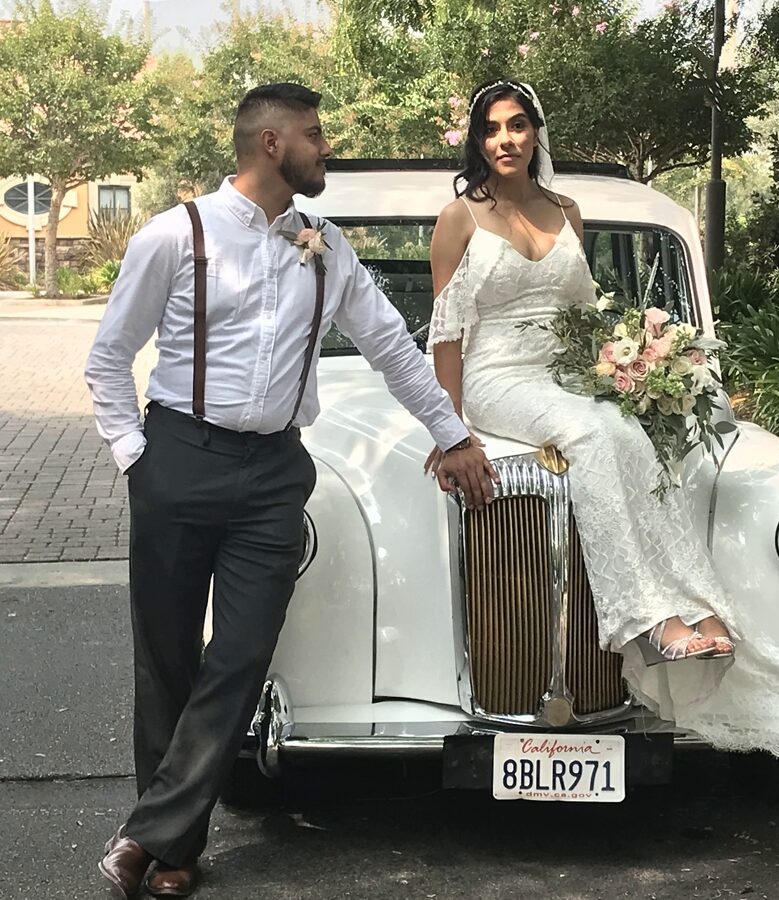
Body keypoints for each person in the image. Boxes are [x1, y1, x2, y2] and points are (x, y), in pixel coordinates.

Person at [85, 81, 496, 898]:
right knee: (167, 659)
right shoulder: (175, 236)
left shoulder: (326, 245)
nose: (326, 145)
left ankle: (144, 837)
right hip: (179, 459)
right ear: (272, 144)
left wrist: (453, 434)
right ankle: (176, 850)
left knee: (238, 656)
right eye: (315, 134)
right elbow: (109, 357)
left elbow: (392, 347)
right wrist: (139, 458)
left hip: (275, 472)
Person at [426, 78, 779, 759]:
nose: (505, 140)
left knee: (637, 430)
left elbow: (581, 310)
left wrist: (624, 363)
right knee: (597, 430)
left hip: (564, 373)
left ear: (536, 131)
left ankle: (698, 607)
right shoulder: (459, 218)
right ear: (478, 141)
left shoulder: (567, 211)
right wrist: (452, 430)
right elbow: (448, 333)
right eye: (491, 129)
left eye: (517, 125)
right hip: (497, 377)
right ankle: (645, 619)